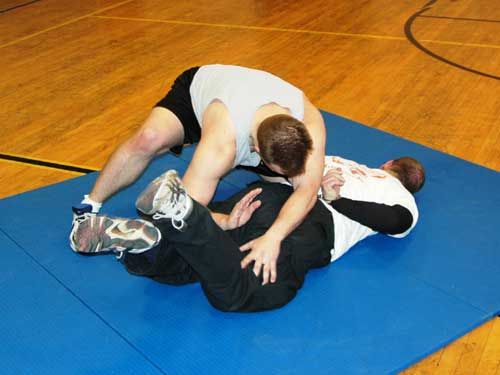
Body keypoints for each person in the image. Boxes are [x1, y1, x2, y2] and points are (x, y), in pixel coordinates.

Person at [72, 64, 326, 286]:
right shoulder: (221, 145)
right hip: (200, 96)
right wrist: (225, 221)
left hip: (251, 125)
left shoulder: (308, 123)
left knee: (292, 191)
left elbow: (306, 189)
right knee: (148, 139)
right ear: (258, 152)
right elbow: (185, 211)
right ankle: (88, 206)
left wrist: (274, 237)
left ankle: (136, 236)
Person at [69, 156, 425, 312]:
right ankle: (185, 218)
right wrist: (337, 199)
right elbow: (395, 222)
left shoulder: (339, 160)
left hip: (264, 197)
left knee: (202, 260)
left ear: (387, 164)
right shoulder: (402, 197)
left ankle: (148, 246)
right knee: (239, 292)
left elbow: (274, 166)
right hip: (313, 223)